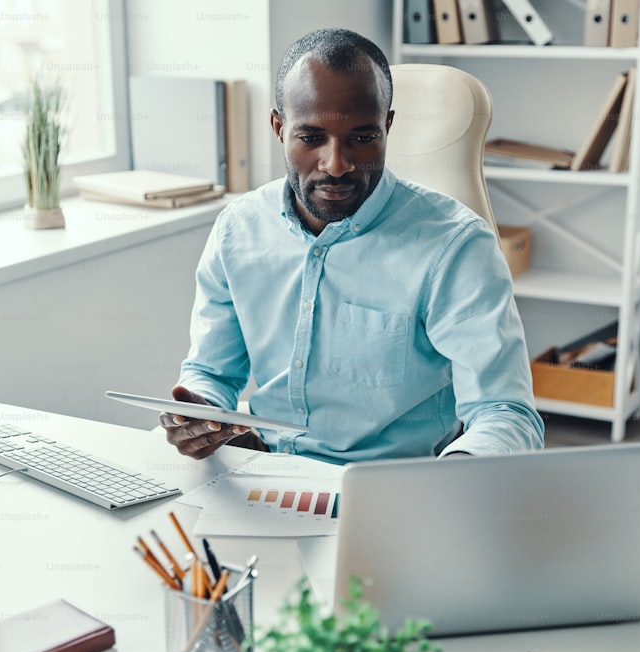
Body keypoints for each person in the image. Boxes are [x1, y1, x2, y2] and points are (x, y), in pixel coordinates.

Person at [160, 28, 544, 463]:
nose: (336, 164)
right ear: (279, 128)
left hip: (395, 489)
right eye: (310, 138)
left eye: (363, 138)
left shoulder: (455, 246)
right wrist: (201, 416)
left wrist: (460, 472)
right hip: (260, 472)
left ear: (388, 127)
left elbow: (505, 411)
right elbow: (211, 372)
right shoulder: (238, 229)